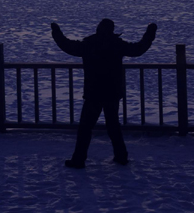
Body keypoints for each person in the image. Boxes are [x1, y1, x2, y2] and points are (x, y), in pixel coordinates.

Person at [51, 18, 158, 169]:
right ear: (112, 30)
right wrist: (150, 33)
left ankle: (78, 160)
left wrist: (56, 32)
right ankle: (121, 156)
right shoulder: (117, 44)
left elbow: (67, 45)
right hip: (112, 92)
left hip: (93, 92)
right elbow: (138, 49)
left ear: (98, 28)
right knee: (113, 126)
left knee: (85, 128)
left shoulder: (88, 44)